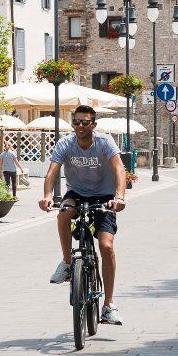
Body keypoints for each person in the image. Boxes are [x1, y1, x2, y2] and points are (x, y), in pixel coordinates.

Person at [40, 104, 128, 326]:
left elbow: (119, 169)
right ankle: (68, 263)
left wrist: (119, 197)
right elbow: (52, 171)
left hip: (104, 196)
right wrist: (47, 195)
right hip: (77, 194)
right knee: (63, 213)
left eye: (85, 122)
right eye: (76, 122)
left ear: (93, 124)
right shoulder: (65, 144)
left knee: (107, 247)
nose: (80, 126)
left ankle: (108, 305)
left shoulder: (104, 142)